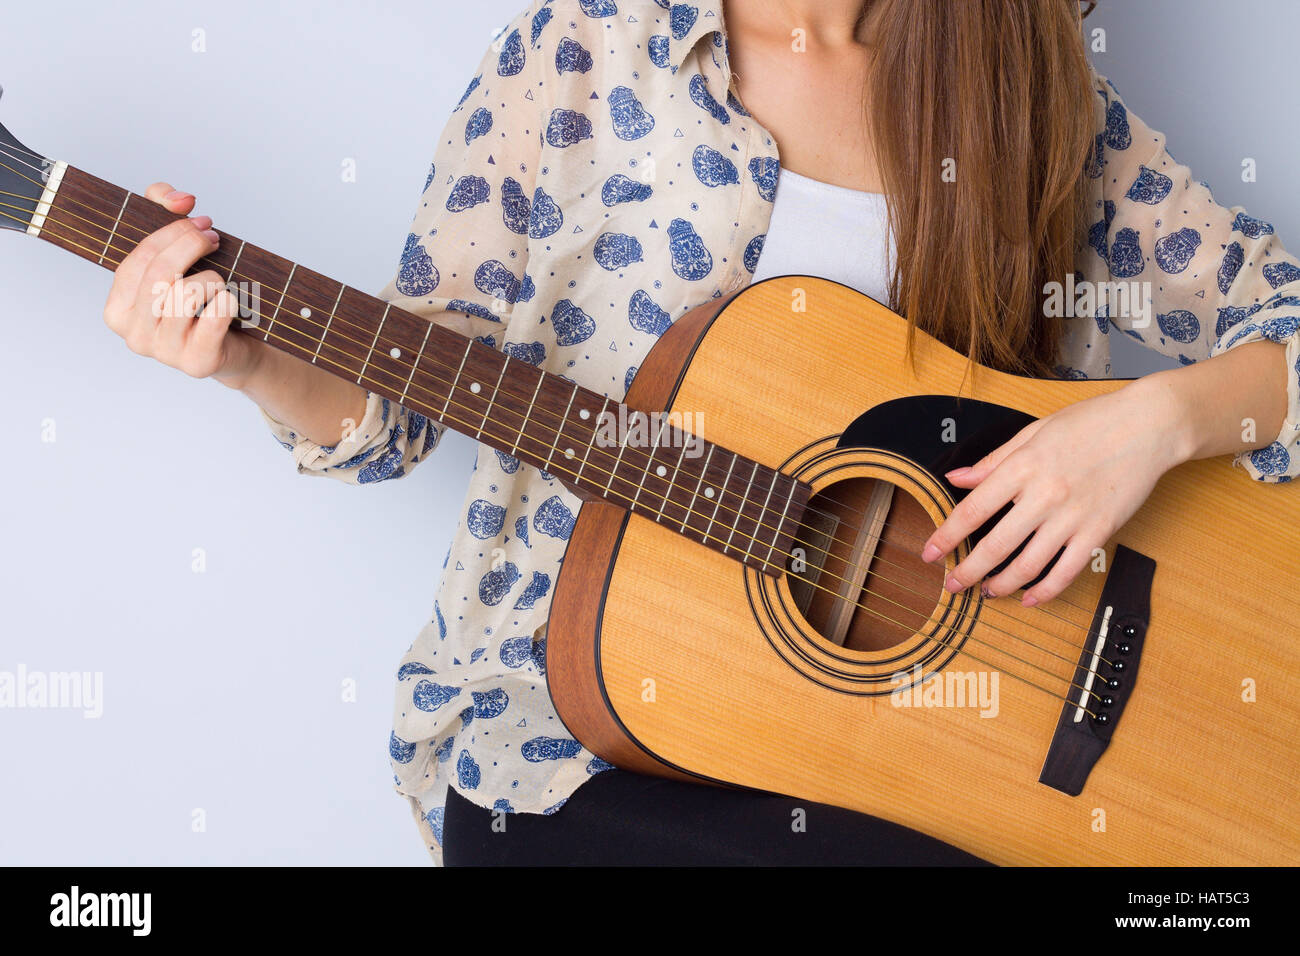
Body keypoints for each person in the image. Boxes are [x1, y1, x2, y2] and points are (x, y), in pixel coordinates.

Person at [99, 0, 1300, 865]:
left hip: (922, 748)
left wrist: (1146, 421)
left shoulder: (1028, 90)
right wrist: (251, 359)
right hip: (569, 741)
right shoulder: (580, 45)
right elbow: (404, 401)